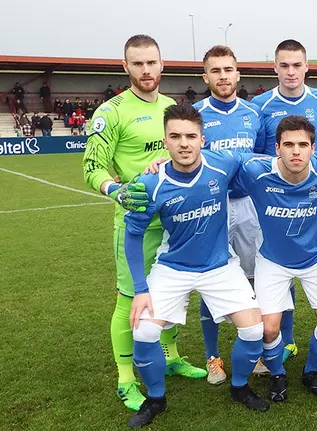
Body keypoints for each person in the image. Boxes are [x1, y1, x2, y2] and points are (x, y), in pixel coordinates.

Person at [124, 104, 269, 428]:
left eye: (191, 136)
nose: (184, 143)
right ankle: (156, 399)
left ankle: (239, 387)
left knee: (254, 329)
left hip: (220, 265)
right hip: (173, 267)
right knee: (145, 330)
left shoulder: (223, 164)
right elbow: (132, 237)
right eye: (175, 136)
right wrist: (140, 290)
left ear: (203, 139)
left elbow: (264, 162)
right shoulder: (150, 184)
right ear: (165, 141)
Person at [82, 34, 206, 412]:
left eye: (151, 62)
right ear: (126, 67)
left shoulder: (173, 107)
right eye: (138, 63)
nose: (146, 70)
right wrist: (114, 189)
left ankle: (169, 355)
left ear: (162, 64)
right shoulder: (112, 111)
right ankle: (125, 378)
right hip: (136, 223)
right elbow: (91, 166)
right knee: (129, 300)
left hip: (175, 222)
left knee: (172, 294)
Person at [232, 116, 317, 401]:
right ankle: (278, 373)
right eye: (289, 145)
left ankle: (311, 371)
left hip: (315, 257)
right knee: (268, 329)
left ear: (313, 148)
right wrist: (163, 163)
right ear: (277, 148)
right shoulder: (256, 172)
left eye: (302, 145)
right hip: (273, 259)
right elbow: (216, 159)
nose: (296, 151)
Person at [251, 39, 317, 363]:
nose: (290, 71)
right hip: (274, 196)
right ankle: (285, 339)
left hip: (313, 193)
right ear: (275, 67)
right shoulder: (261, 104)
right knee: (278, 259)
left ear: (306, 66)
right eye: (284, 65)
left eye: (296, 65)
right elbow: (258, 154)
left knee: (314, 250)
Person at [192, 45, 266, 385]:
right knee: (211, 279)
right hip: (211, 208)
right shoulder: (195, 114)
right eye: (216, 71)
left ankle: (256, 353)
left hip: (249, 206)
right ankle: (213, 358)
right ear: (205, 77)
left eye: (228, 69)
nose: (223, 76)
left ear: (238, 74)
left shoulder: (253, 114)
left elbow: (263, 160)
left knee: (254, 278)